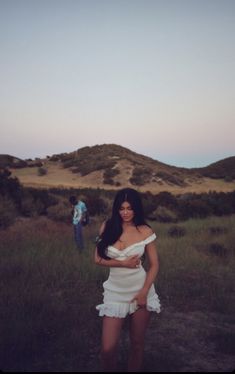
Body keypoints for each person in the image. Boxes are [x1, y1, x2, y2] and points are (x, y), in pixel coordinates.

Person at [94, 188, 161, 372]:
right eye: (121, 208)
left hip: (141, 291)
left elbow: (154, 264)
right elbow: (98, 259)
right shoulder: (107, 227)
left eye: (129, 208)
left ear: (136, 209)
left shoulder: (145, 230)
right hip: (115, 293)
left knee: (137, 344)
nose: (125, 212)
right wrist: (122, 264)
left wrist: (144, 293)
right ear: (116, 209)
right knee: (107, 350)